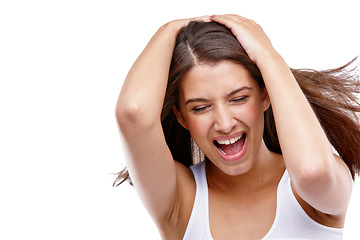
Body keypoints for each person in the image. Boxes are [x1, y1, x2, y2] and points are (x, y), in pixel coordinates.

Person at [114, 14, 360, 239]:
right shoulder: (181, 199)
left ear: (266, 95)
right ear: (181, 117)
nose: (224, 123)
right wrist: (171, 29)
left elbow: (312, 171)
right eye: (200, 107)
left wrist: (267, 55)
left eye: (239, 98)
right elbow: (133, 113)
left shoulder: (311, 190)